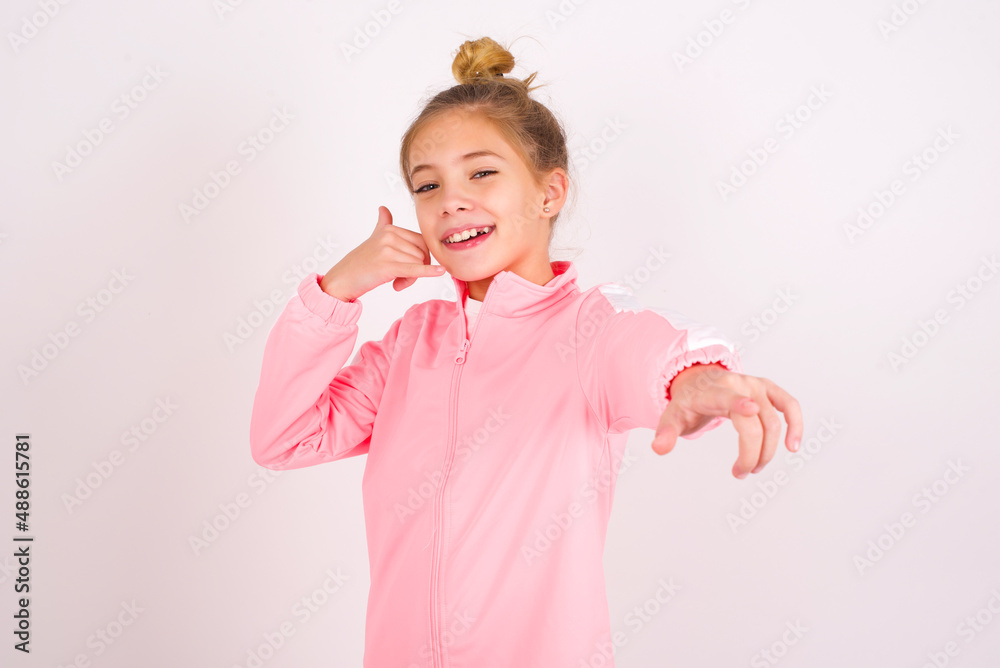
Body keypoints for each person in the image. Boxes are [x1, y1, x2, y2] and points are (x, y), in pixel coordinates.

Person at [249, 35, 803, 668]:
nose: (451, 200)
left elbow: (654, 350)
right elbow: (283, 439)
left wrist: (697, 379)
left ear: (549, 193)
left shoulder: (589, 330)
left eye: (482, 172)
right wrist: (336, 290)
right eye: (426, 186)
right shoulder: (410, 344)